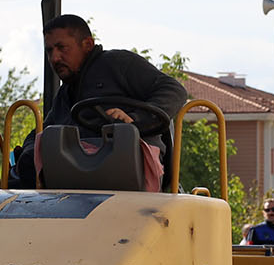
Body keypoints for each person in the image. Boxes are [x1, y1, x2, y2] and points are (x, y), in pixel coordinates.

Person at [13, 14, 187, 189]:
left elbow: (174, 90)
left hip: (129, 170)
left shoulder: (118, 64)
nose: (54, 58)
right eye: (49, 50)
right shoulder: (65, 93)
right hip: (80, 180)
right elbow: (45, 127)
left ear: (87, 44)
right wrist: (28, 151)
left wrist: (135, 119)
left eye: (61, 48)